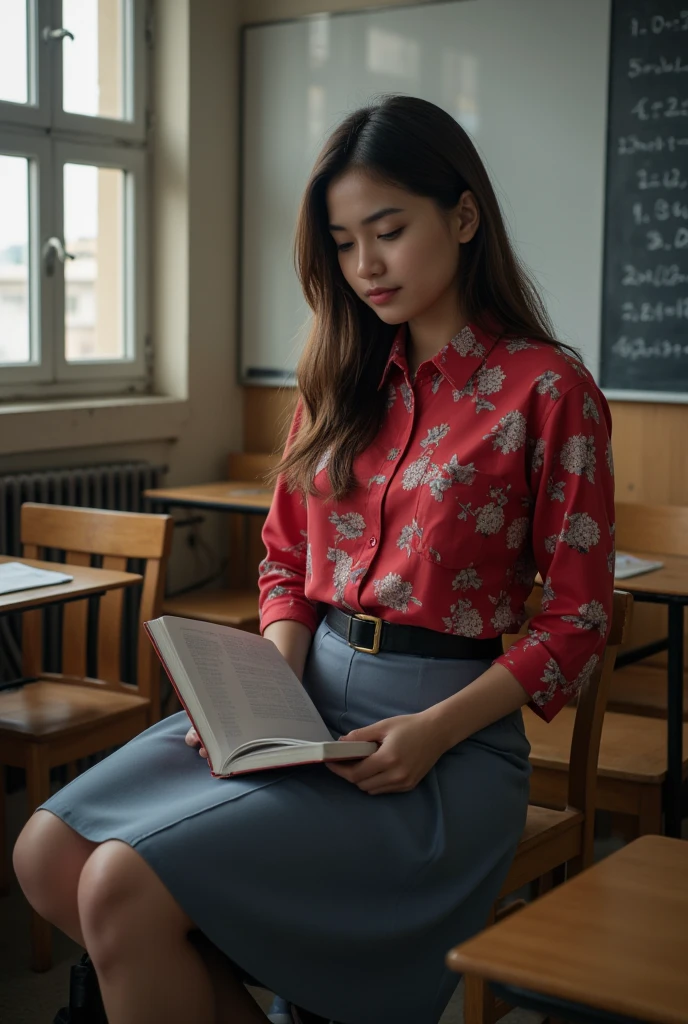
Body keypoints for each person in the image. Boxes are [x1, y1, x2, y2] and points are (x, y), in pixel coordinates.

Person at [13, 95, 615, 1024]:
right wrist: (265, 697)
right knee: (48, 854)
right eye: (342, 242)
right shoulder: (338, 378)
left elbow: (576, 623)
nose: (364, 266)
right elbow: (286, 563)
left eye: (388, 230)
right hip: (299, 709)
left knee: (120, 888)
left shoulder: (549, 389)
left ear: (463, 217)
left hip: (438, 751)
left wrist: (436, 730)